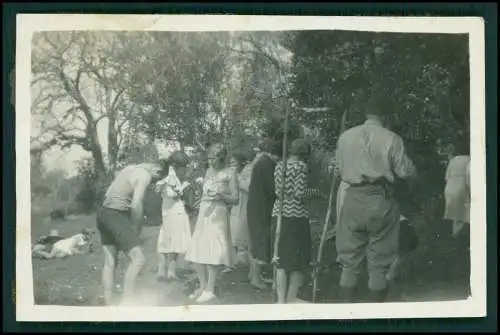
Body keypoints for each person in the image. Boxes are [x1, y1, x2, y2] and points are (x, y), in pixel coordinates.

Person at [334, 92, 417, 303]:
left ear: (368, 114)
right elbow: (405, 171)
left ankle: (345, 314)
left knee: (349, 261)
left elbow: (337, 170)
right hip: (381, 199)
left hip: (352, 197)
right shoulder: (391, 138)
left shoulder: (346, 137)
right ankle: (375, 314)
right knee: (379, 262)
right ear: (387, 116)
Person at [96, 160, 171, 305]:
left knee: (109, 261)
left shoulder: (129, 168)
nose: (153, 183)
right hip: (115, 214)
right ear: (157, 171)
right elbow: (136, 203)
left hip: (103, 213)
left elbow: (110, 192)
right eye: (156, 180)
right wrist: (137, 228)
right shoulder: (145, 176)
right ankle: (127, 303)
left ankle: (108, 303)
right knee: (138, 259)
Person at [184, 143, 240, 303]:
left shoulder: (231, 173)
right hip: (204, 211)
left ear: (221, 158)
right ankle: (202, 286)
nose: (210, 162)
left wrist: (221, 195)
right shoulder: (208, 171)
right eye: (208, 158)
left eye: (213, 158)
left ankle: (210, 288)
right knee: (198, 249)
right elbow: (205, 193)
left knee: (213, 250)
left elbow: (235, 199)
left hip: (218, 213)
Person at [272, 139, 322, 303]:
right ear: (304, 154)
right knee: (298, 259)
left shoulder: (280, 165)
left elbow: (279, 191)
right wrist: (317, 193)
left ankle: (281, 300)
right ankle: (291, 297)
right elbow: (299, 193)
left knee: (281, 258)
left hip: (279, 214)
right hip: (296, 216)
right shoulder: (300, 167)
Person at [246, 138, 280, 290]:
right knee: (260, 242)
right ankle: (255, 278)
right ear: (275, 154)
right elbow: (272, 188)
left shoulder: (262, 162)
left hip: (256, 206)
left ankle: (255, 275)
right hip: (261, 208)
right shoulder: (266, 165)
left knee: (257, 240)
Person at [155, 151, 192, 281]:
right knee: (172, 242)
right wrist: (184, 188)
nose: (185, 170)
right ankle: (167, 271)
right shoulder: (171, 177)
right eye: (184, 167)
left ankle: (165, 271)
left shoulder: (169, 177)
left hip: (169, 212)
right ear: (177, 166)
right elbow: (172, 194)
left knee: (166, 241)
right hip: (174, 213)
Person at [443, 140, 470, 238]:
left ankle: (455, 235)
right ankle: (458, 236)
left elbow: (446, 177)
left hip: (450, 187)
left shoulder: (453, 160)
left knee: (456, 215)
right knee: (464, 214)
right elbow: (469, 176)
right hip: (461, 187)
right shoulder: (469, 160)